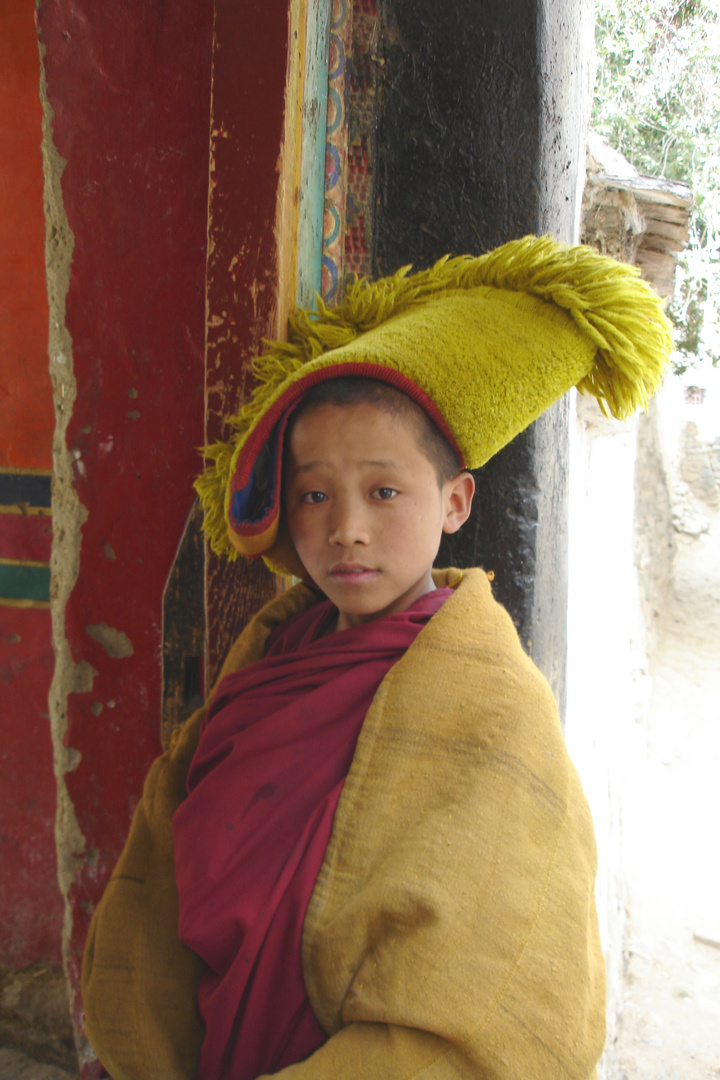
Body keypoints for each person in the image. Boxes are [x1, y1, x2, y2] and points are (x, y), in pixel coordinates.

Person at [81, 236, 673, 1080]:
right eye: (315, 493)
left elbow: (492, 997)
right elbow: (167, 879)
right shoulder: (270, 665)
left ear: (455, 501)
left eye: (384, 492)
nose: (345, 527)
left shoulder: (496, 713)